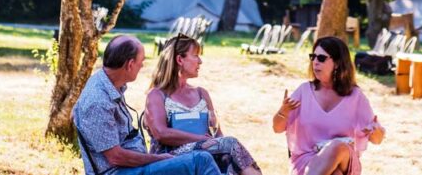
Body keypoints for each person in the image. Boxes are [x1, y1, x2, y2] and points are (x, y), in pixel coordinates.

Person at [73, 35, 220, 175]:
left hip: (134, 165)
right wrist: (158, 159)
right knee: (201, 160)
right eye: (141, 62)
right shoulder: (98, 101)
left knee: (215, 154)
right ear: (130, 65)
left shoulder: (107, 84)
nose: (142, 66)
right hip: (121, 171)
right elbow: (116, 157)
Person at [145, 34, 262, 175]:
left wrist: (213, 141)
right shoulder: (157, 95)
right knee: (230, 144)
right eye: (195, 56)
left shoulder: (201, 93)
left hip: (205, 153)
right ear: (179, 59)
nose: (200, 61)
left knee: (228, 154)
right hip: (170, 157)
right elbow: (161, 133)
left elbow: (218, 134)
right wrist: (200, 139)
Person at [271, 35, 384, 175]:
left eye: (321, 58)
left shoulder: (355, 96)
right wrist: (283, 111)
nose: (315, 62)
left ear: (337, 63)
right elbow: (277, 128)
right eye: (313, 57)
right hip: (307, 162)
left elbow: (376, 139)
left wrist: (376, 131)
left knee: (337, 146)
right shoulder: (303, 91)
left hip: (344, 159)